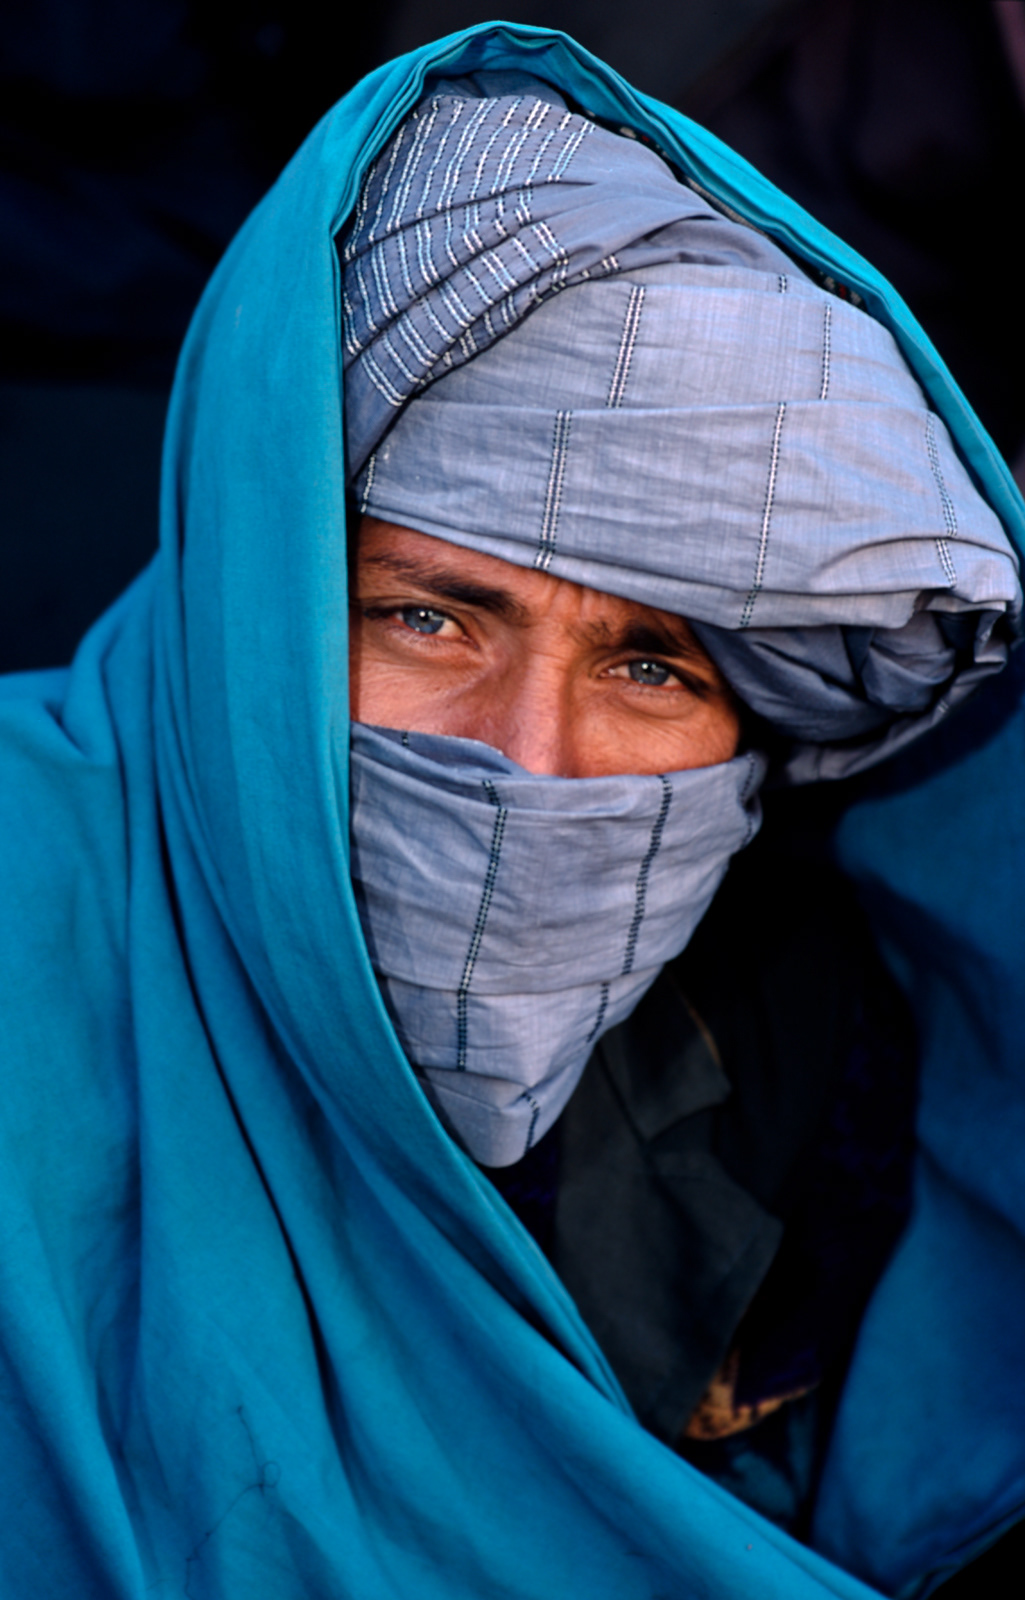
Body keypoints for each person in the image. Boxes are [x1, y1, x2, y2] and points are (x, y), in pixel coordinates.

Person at [0, 21, 1023, 1600]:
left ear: (756, 748)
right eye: (425, 618)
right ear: (256, 596)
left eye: (651, 667)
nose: (528, 765)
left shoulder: (801, 1082)